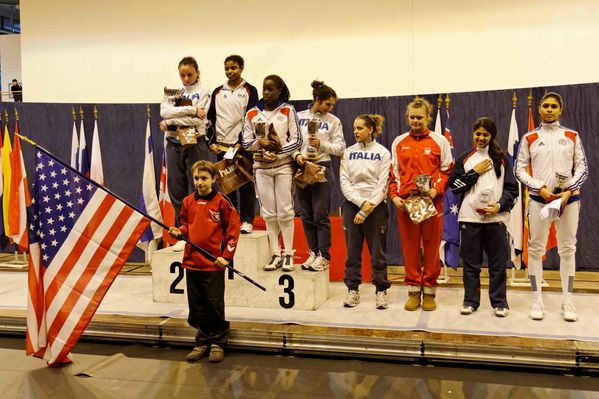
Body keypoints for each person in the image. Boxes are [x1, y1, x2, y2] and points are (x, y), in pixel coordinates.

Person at [515, 92, 588, 322]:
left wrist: (568, 191)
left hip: (569, 200)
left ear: (560, 109)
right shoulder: (529, 137)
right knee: (536, 250)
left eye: (553, 106)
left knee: (568, 249)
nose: (549, 109)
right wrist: (540, 188)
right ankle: (537, 299)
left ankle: (568, 300)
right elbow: (519, 170)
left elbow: (582, 169)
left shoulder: (572, 135)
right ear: (539, 109)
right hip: (539, 200)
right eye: (545, 105)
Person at [168, 160, 240, 363]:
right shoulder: (188, 201)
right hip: (191, 262)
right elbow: (185, 226)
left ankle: (218, 343)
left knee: (214, 304)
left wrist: (226, 257)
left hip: (213, 264)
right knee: (197, 305)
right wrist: (178, 232)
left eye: (204, 178)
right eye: (196, 178)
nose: (199, 182)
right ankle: (202, 341)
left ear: (214, 179)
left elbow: (232, 233)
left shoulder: (222, 203)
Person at [448, 117, 518, 317]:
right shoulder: (464, 159)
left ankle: (499, 302)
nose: (480, 138)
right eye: (477, 134)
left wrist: (498, 206)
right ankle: (470, 301)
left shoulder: (503, 159)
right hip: (470, 220)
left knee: (497, 264)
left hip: (496, 220)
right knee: (471, 264)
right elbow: (454, 186)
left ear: (491, 136)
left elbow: (512, 190)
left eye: (485, 135)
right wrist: (473, 173)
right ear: (473, 134)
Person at [389, 97, 452, 311]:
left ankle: (430, 291)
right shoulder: (399, 141)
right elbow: (394, 173)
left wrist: (436, 190)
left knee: (432, 248)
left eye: (420, 117)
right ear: (407, 118)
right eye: (412, 117)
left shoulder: (439, 141)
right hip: (408, 203)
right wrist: (395, 196)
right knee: (410, 248)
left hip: (432, 201)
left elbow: (446, 170)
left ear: (428, 117)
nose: (416, 121)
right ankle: (414, 290)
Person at [242, 75, 301, 271]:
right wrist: (260, 144)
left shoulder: (288, 110)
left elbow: (297, 140)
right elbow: (245, 142)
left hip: (283, 166)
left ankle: (289, 254)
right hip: (261, 169)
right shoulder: (252, 113)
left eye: (270, 89)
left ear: (279, 91)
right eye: (264, 89)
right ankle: (275, 253)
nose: (266, 93)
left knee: (285, 211)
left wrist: (278, 152)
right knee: (268, 213)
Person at [340, 114, 391, 309]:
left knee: (377, 252)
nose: (355, 131)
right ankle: (352, 290)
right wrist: (360, 203)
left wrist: (370, 205)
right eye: (354, 128)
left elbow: (383, 183)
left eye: (360, 128)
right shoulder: (348, 152)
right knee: (352, 252)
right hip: (352, 205)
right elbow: (344, 181)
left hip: (376, 208)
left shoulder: (383, 152)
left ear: (370, 129)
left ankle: (381, 290)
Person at [160, 56, 211, 251]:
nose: (186, 78)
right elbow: (164, 113)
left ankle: (200, 232)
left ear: (197, 72)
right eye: (182, 75)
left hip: (195, 141)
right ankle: (183, 233)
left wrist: (172, 121)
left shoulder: (204, 92)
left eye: (190, 74)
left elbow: (199, 122)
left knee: (198, 186)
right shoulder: (173, 91)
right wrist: (190, 110)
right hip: (173, 142)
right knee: (177, 189)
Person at [293, 80, 345, 272]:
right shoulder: (298, 117)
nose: (329, 108)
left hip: (322, 166)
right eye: (327, 104)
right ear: (316, 99)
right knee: (306, 215)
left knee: (320, 215)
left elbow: (340, 149)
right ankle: (313, 252)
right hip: (302, 166)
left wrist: (321, 144)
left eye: (332, 105)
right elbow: (291, 141)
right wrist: (296, 155)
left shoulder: (333, 121)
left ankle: (324, 255)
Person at [207, 55, 259, 234]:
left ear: (242, 68)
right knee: (226, 184)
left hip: (242, 147)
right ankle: (231, 220)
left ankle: (247, 220)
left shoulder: (250, 90)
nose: (230, 71)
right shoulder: (217, 92)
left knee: (245, 183)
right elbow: (211, 120)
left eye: (234, 68)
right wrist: (211, 142)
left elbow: (251, 119)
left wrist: (241, 143)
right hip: (222, 147)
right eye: (227, 68)